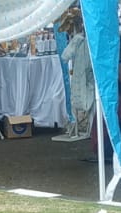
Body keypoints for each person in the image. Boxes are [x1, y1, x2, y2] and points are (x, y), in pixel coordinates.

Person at [53, 5, 97, 143]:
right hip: (89, 73)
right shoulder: (90, 39)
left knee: (78, 99)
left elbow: (65, 56)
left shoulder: (77, 39)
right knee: (90, 99)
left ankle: (79, 128)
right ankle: (90, 128)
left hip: (80, 73)